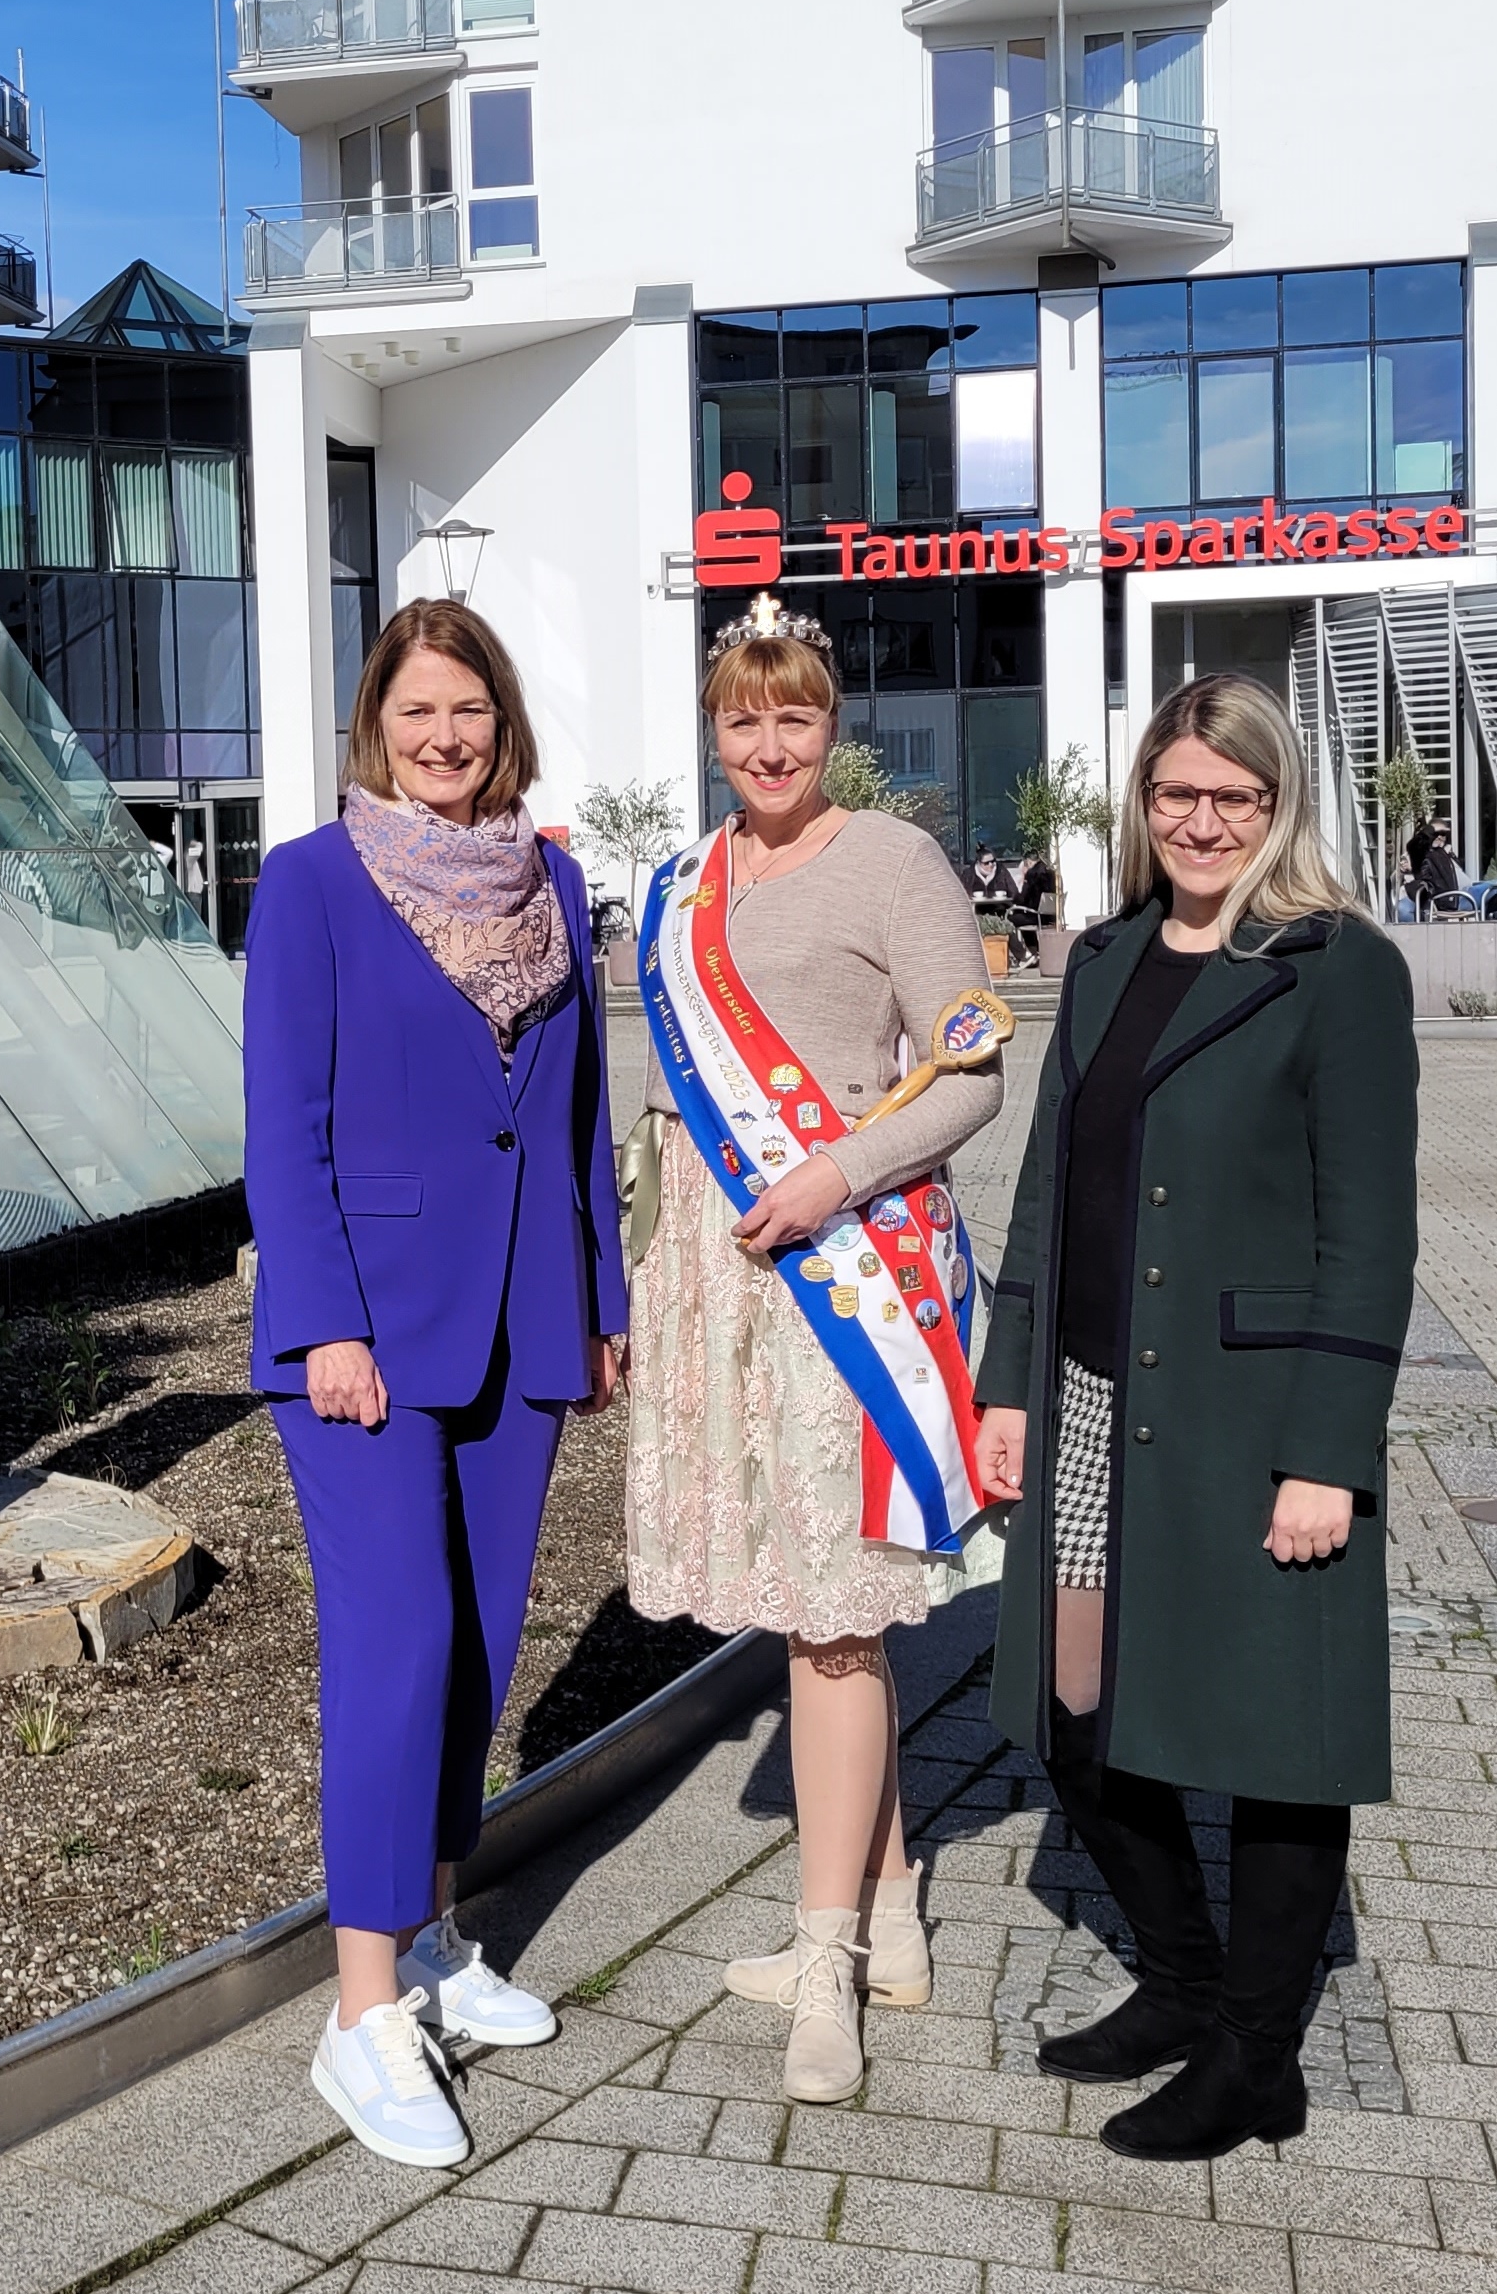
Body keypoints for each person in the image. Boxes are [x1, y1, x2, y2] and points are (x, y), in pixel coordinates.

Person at [975, 674, 1415, 2160]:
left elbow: (1371, 1236)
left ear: (1276, 804)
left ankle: (1258, 2057)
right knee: (1072, 1708)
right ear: (1143, 801)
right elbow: (1046, 1189)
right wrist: (1005, 1380)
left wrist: (1327, 1454)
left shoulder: (1335, 968)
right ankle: (1178, 1980)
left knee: (1281, 1739)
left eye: (1234, 796)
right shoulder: (1102, 958)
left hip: (1255, 1415)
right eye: (1178, 793)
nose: (1203, 821)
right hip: (1089, 1396)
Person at [245, 598, 626, 2171]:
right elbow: (283, 1123)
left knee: (475, 1647)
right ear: (375, 725)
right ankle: (358, 2012)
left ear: (501, 722)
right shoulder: (311, 881)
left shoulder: (553, 881)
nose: (444, 736)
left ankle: (436, 1939)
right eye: (416, 711)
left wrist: (599, 1299)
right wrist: (324, 1325)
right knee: (394, 1649)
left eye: (467, 709)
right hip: (366, 1339)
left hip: (524, 1319)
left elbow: (579, 1112)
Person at [623, 608, 1003, 2102]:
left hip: (842, 1281)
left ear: (832, 723)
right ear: (714, 730)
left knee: (836, 1622)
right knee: (807, 1616)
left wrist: (834, 1172)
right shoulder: (682, 884)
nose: (769, 747)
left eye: (794, 718)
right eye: (742, 719)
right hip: (718, 1290)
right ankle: (892, 1917)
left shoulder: (894, 862)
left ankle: (826, 1962)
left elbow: (970, 1074)